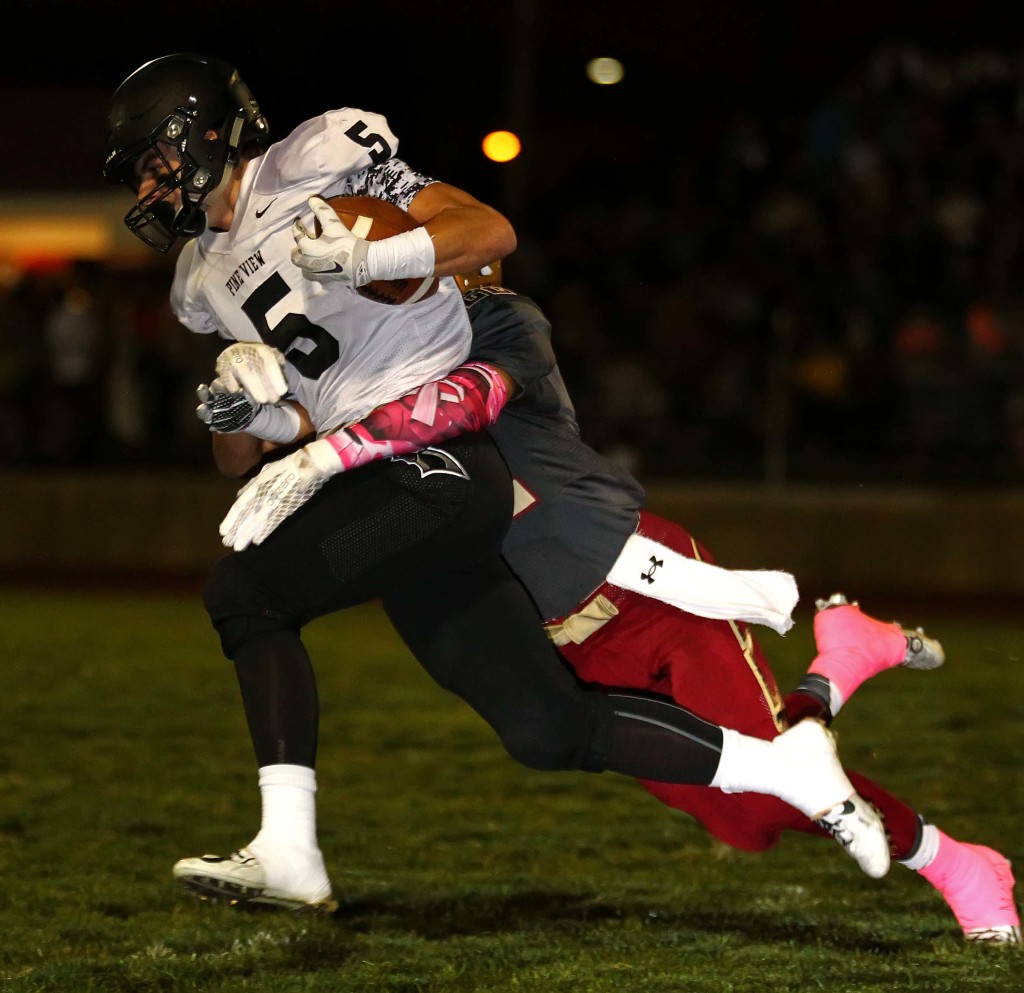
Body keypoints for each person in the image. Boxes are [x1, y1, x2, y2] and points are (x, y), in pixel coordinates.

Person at [103, 53, 892, 916]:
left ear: (207, 131)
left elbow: (488, 231)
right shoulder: (200, 280)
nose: (150, 186)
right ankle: (784, 763)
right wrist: (234, 411)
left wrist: (378, 257)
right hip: (379, 477)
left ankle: (290, 848)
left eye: (157, 159)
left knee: (245, 595)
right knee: (549, 729)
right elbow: (265, 443)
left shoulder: (313, 159)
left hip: (435, 457)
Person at [216, 276, 1020, 943]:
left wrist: (326, 436)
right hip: (563, 645)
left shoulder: (494, 316)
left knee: (771, 796)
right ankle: (841, 657)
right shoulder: (351, 357)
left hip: (644, 592)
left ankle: (958, 860)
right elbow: (242, 458)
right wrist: (239, 401)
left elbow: (455, 405)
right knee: (737, 821)